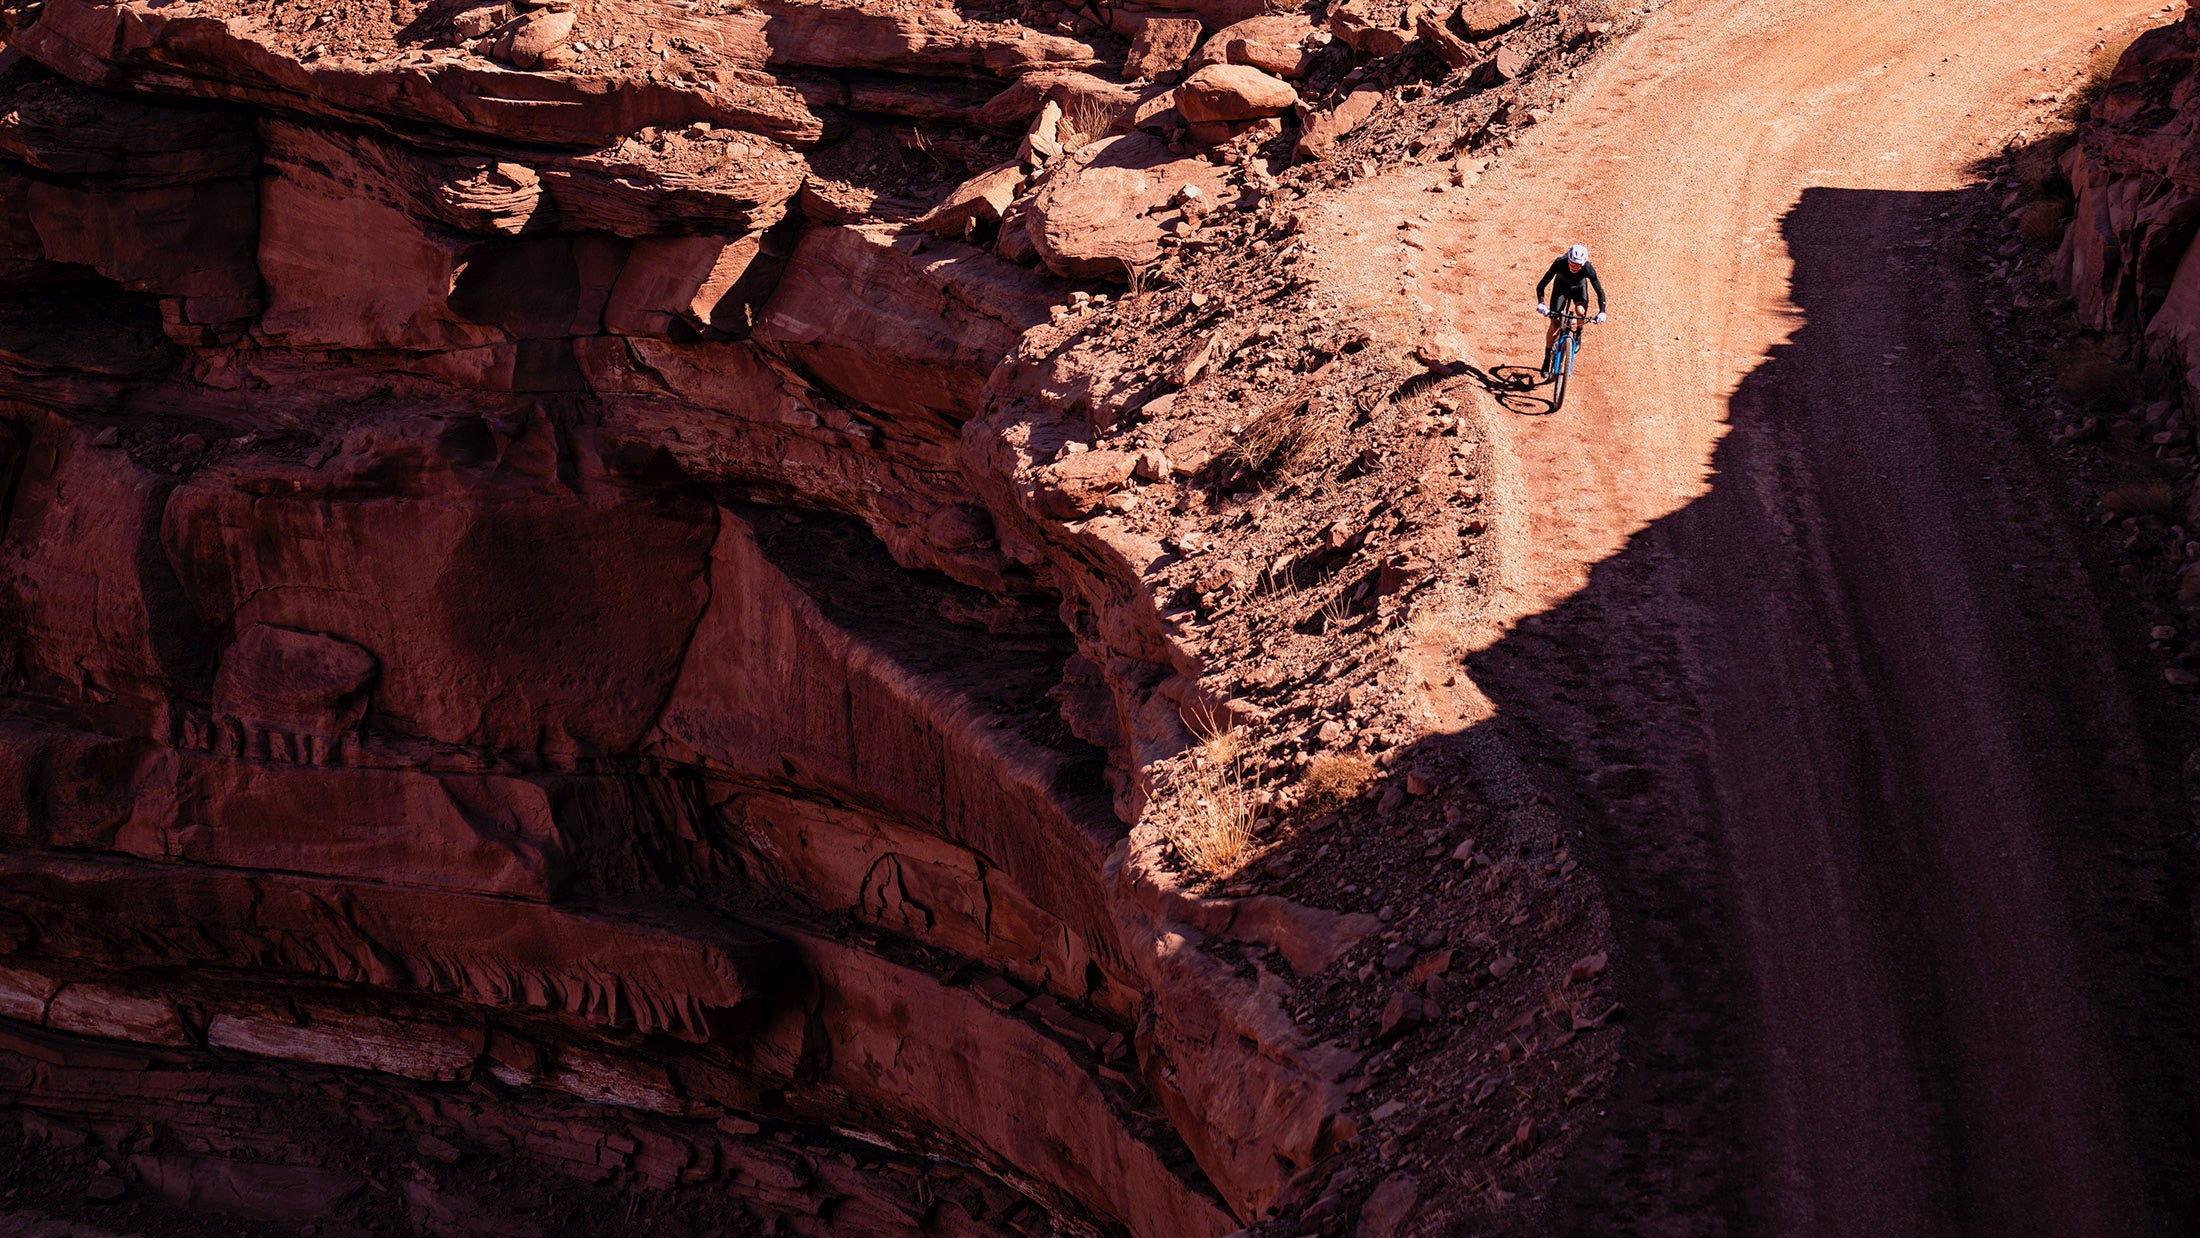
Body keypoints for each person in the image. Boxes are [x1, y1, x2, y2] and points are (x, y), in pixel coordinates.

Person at [1536, 243, 1608, 367]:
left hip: (1578, 289)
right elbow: (1541, 285)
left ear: (1583, 264)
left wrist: (1602, 311)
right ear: (1568, 259)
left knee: (1580, 312)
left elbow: (1599, 291)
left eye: (1578, 265)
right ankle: (1547, 358)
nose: (1574, 267)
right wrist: (1541, 303)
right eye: (1572, 263)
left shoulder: (1588, 268)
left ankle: (1578, 332)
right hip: (1560, 289)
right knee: (1554, 325)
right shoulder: (1559, 263)